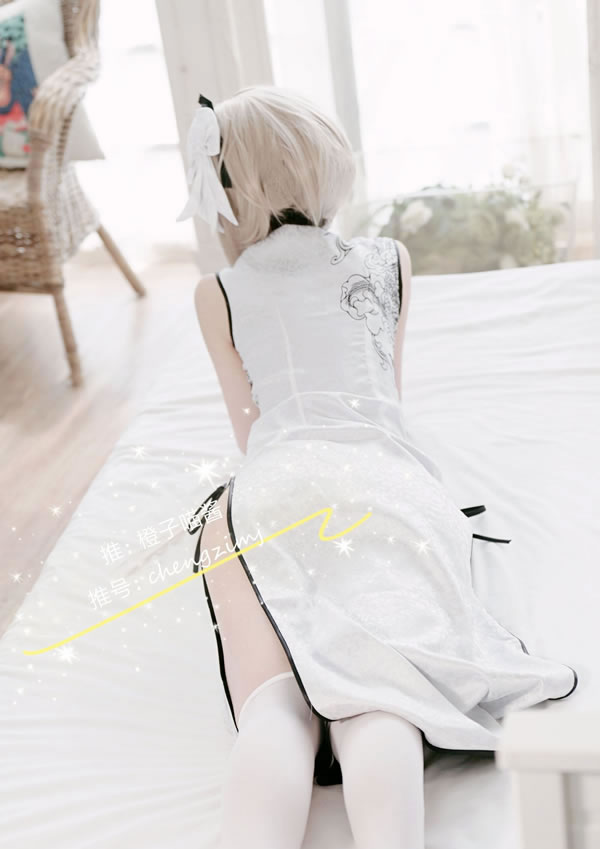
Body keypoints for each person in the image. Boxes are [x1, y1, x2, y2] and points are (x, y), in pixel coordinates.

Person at [177, 85, 578, 849]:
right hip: (386, 487)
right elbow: (383, 397)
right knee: (376, 696)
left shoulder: (216, 293)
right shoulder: (391, 261)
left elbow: (250, 432)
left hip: (276, 488)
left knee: (274, 705)